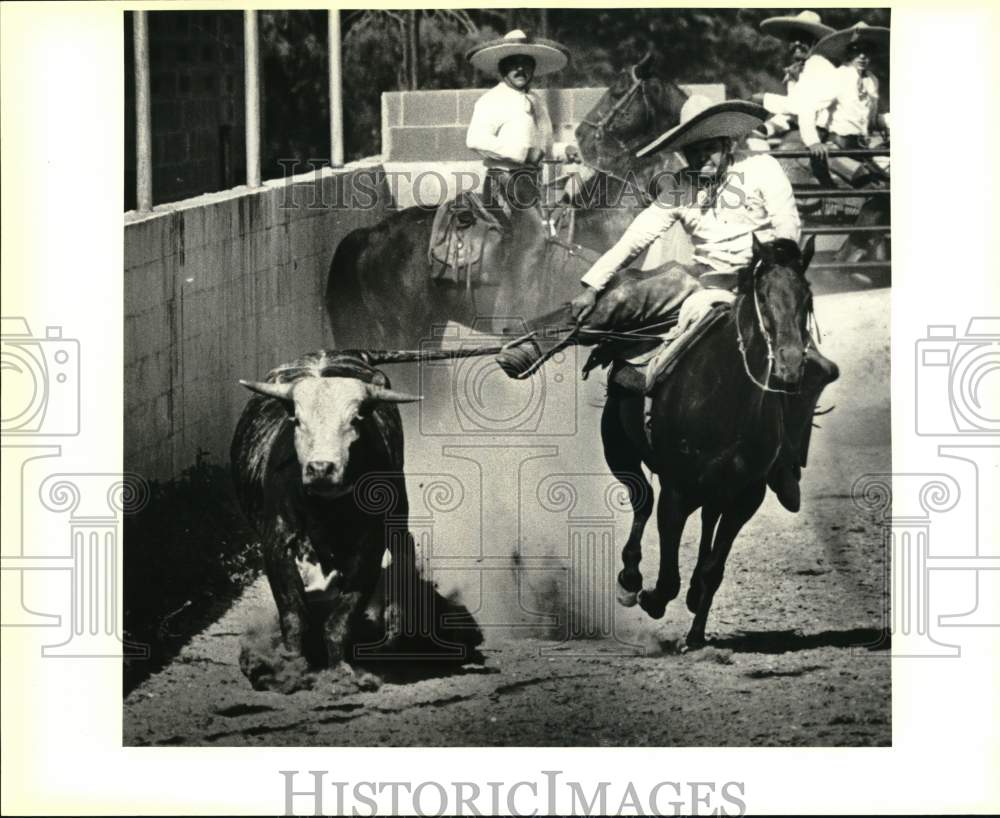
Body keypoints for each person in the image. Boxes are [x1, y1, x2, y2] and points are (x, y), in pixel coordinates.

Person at [567, 96, 835, 511]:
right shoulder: (680, 190)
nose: (702, 158)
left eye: (709, 147)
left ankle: (787, 459)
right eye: (693, 150)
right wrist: (591, 285)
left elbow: (788, 228)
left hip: (769, 283)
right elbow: (634, 239)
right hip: (708, 289)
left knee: (806, 363)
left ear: (728, 143)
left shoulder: (763, 169)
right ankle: (665, 426)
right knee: (668, 355)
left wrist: (775, 276)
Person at [465, 29, 580, 217]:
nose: (520, 69)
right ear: (503, 68)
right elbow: (475, 139)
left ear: (532, 69)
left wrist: (565, 151)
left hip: (532, 185)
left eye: (525, 63)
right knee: (518, 241)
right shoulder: (492, 99)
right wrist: (524, 154)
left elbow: (544, 149)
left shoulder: (537, 102)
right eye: (513, 64)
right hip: (502, 184)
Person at [794, 22, 891, 180]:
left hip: (861, 147)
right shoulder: (838, 77)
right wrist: (813, 142)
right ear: (848, 53)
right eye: (856, 51)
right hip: (837, 146)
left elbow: (870, 119)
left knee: (889, 178)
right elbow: (807, 108)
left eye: (867, 51)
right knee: (866, 181)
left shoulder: (871, 81)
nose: (862, 56)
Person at [752, 10, 835, 139]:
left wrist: (763, 100)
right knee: (752, 139)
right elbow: (791, 115)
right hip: (804, 126)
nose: (797, 43)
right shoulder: (798, 69)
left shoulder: (819, 65)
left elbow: (801, 107)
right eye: (793, 39)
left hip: (820, 133)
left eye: (803, 39)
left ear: (815, 43)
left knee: (786, 149)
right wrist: (768, 128)